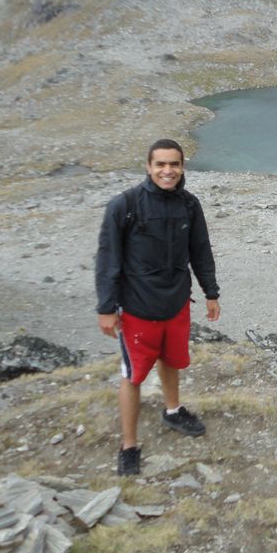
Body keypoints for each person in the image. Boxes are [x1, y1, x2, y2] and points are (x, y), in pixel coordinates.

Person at [95, 138, 221, 476]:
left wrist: (211, 292)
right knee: (133, 375)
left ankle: (172, 409)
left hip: (176, 303)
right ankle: (129, 445)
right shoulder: (124, 206)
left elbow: (201, 250)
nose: (168, 171)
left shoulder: (190, 206)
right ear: (149, 167)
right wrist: (107, 308)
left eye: (174, 165)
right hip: (137, 309)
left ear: (182, 167)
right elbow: (108, 259)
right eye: (160, 165)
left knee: (171, 360)